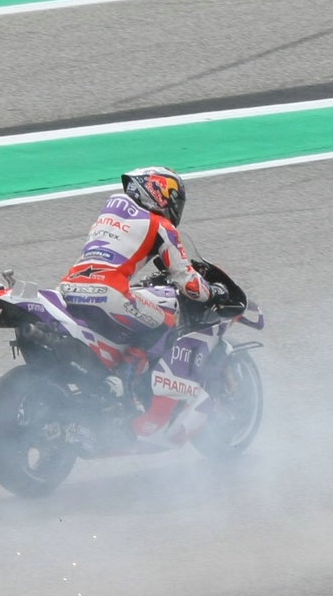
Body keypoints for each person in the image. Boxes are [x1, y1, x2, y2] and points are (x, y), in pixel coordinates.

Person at [57, 166, 220, 442]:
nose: (175, 207)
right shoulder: (162, 227)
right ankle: (123, 379)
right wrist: (211, 292)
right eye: (173, 198)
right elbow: (187, 282)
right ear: (160, 193)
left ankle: (98, 381)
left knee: (132, 313)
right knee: (165, 317)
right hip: (107, 292)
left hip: (69, 289)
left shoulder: (112, 205)